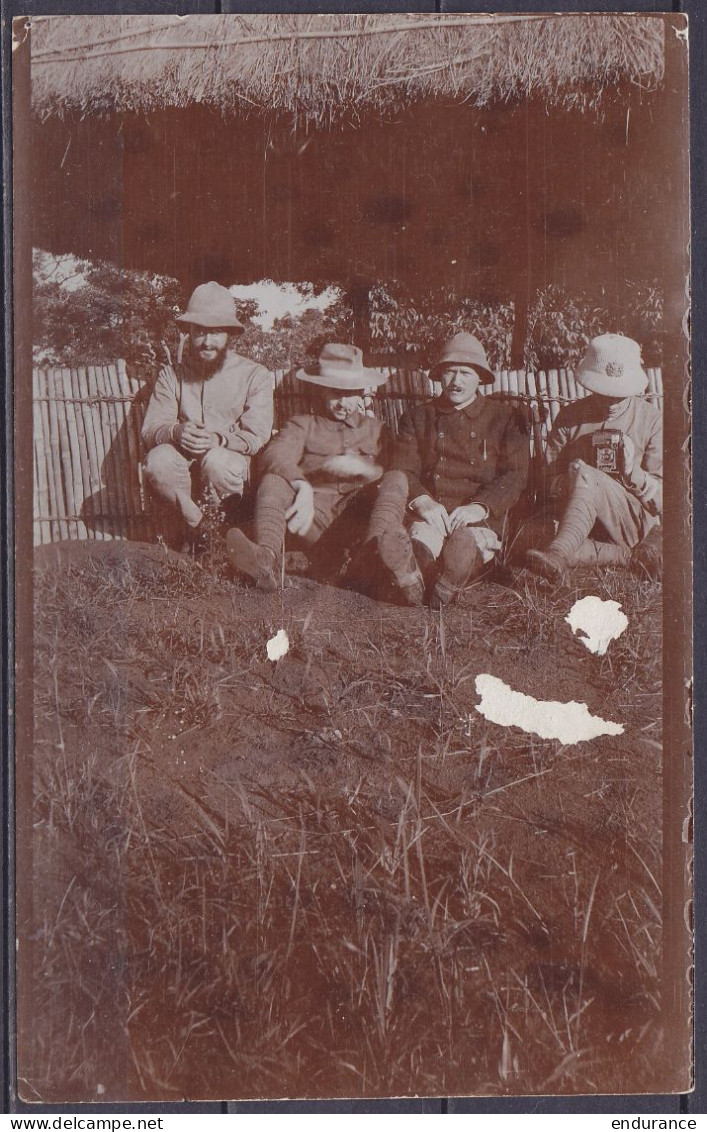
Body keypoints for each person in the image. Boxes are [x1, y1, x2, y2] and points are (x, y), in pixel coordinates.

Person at [367, 332, 530, 608]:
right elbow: (402, 467)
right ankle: (411, 575)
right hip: (433, 514)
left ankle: (450, 580)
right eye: (449, 372)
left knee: (470, 545)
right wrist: (423, 501)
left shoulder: (504, 418)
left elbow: (515, 475)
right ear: (439, 376)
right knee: (420, 541)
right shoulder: (418, 417)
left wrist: (480, 507)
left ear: (480, 378)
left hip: (476, 518)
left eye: (465, 373)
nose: (456, 382)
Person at [226, 343, 389, 591]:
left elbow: (399, 475)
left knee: (392, 485)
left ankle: (369, 564)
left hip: (357, 524)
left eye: (350, 393)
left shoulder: (377, 430)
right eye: (334, 392)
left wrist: (366, 471)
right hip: (311, 520)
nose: (342, 402)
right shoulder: (304, 425)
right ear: (320, 391)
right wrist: (300, 483)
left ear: (361, 393)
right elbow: (275, 454)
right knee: (275, 480)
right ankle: (265, 559)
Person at [141, 281, 274, 550]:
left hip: (232, 470)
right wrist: (176, 432)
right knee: (158, 460)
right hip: (184, 472)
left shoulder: (254, 375)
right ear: (189, 332)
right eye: (199, 331)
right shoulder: (172, 375)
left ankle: (231, 532)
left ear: (229, 334)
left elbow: (257, 435)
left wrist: (218, 439)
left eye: (215, 332)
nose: (207, 341)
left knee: (216, 461)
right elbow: (151, 428)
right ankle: (201, 527)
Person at [524, 333, 662, 584]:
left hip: (628, 522)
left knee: (585, 480)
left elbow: (665, 503)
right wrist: (569, 481)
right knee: (528, 537)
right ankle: (623, 557)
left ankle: (559, 554)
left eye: (619, 394)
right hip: (576, 519)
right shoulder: (569, 417)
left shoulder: (651, 420)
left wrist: (633, 473)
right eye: (602, 392)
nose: (610, 402)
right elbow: (544, 483)